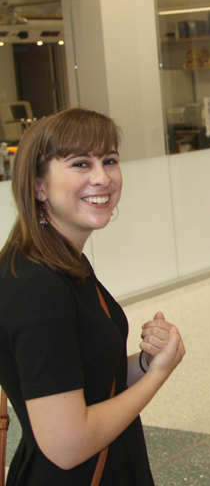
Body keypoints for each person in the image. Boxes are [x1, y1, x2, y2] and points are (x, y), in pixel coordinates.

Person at [0, 108, 186, 485]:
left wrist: (148, 363)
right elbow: (67, 445)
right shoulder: (35, 286)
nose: (102, 177)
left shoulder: (61, 262)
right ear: (38, 186)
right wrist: (159, 376)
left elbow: (94, 380)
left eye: (110, 160)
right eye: (80, 163)